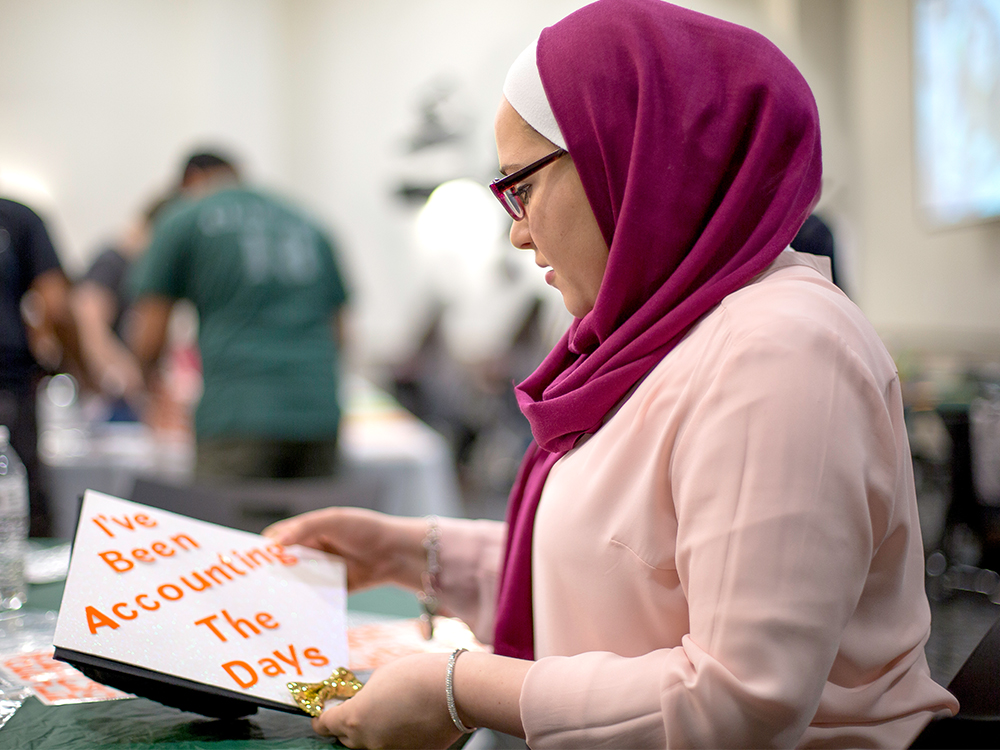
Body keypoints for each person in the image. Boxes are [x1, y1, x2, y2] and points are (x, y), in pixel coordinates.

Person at [265, 1, 958, 747]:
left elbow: (738, 704)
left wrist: (461, 687)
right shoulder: (671, 335)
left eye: (520, 187)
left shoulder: (779, 348)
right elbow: (633, 572)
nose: (518, 231)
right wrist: (413, 553)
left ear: (627, 156)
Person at [128, 151, 350, 479]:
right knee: (314, 528)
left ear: (190, 182)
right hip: (317, 413)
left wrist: (150, 389)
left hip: (234, 415)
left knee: (226, 528)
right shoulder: (307, 220)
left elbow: (150, 333)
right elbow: (341, 332)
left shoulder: (184, 218)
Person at [0, 197, 87, 536]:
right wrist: (75, 369)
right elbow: (57, 305)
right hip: (8, 390)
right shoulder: (17, 217)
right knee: (18, 512)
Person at [72, 193, 176, 422]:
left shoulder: (137, 270)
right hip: (109, 400)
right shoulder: (113, 262)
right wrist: (124, 373)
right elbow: (87, 316)